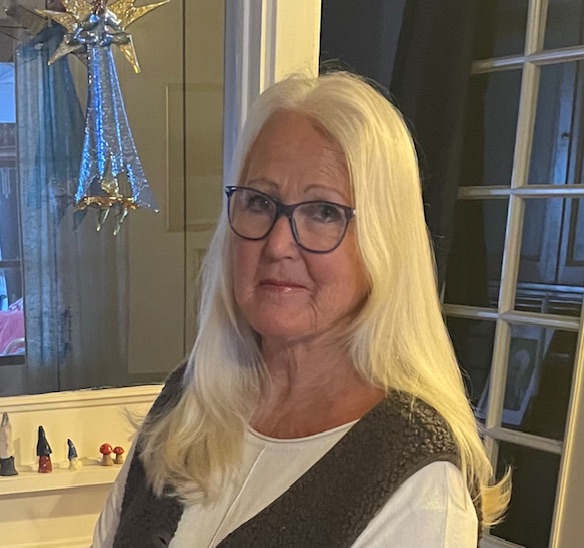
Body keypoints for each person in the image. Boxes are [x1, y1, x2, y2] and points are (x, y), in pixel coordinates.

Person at [93, 71, 509, 547]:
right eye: (259, 202)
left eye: (324, 212)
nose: (278, 244)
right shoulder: (187, 402)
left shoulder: (417, 482)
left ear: (383, 241)